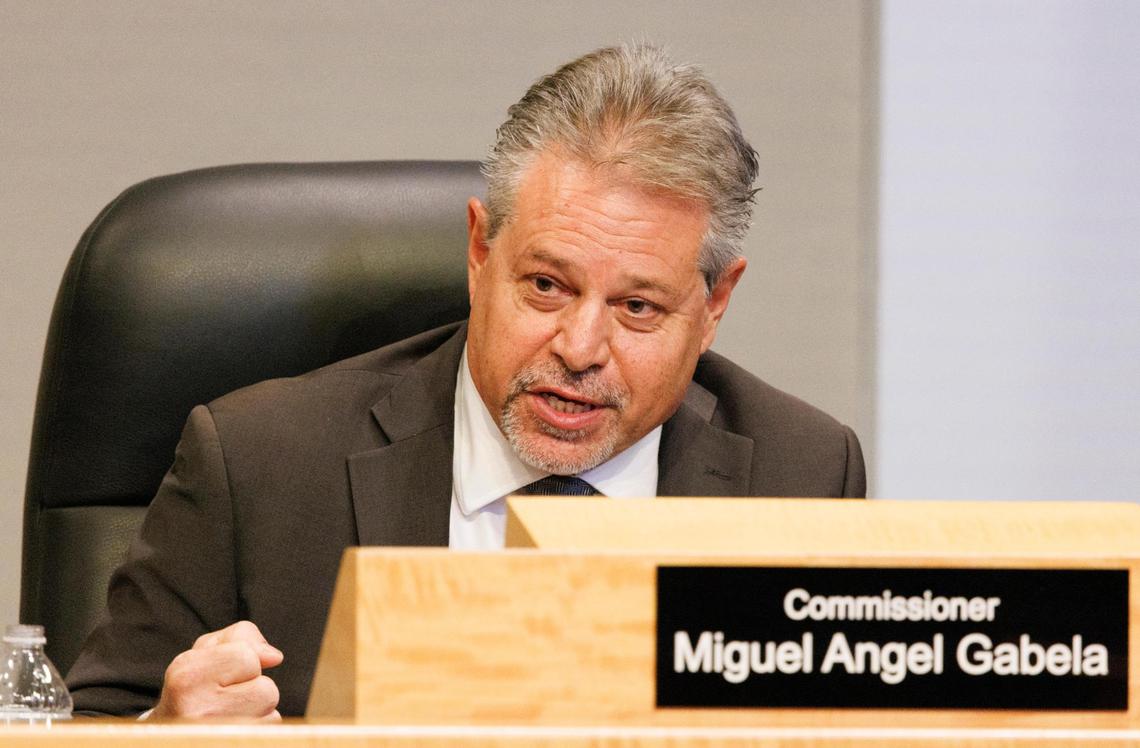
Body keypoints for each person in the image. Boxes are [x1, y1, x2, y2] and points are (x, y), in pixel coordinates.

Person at [66, 43, 865, 719]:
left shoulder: (800, 476)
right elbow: (92, 725)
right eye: (547, 286)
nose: (581, 347)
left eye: (637, 306)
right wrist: (159, 730)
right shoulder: (259, 463)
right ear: (481, 253)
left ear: (714, 306)